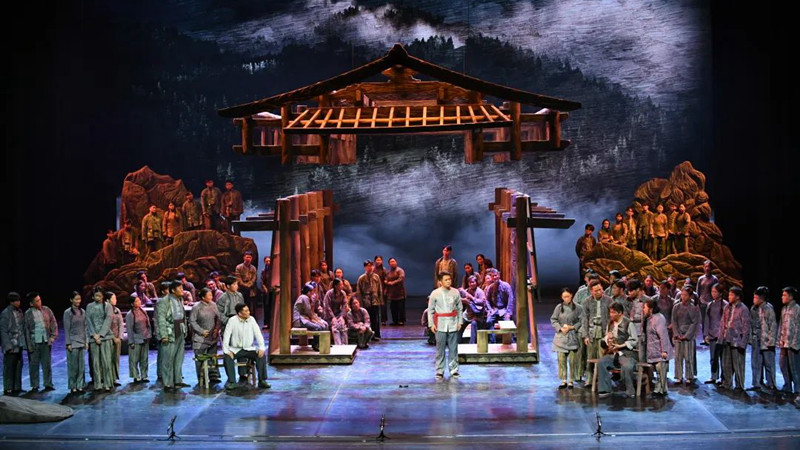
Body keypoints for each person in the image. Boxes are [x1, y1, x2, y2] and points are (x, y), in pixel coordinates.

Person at [221, 304, 270, 390]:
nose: (249, 312)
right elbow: (226, 336)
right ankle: (232, 381)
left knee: (261, 356)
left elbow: (258, 334)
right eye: (246, 311)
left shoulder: (251, 319)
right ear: (240, 313)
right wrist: (226, 351)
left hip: (249, 348)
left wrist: (262, 348)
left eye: (248, 310)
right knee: (227, 357)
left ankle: (262, 380)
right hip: (235, 349)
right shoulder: (232, 321)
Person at [596, 302, 639, 398]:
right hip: (614, 354)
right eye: (610, 312)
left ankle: (630, 391)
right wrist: (607, 340)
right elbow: (605, 338)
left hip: (627, 354)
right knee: (602, 362)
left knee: (627, 367)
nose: (611, 314)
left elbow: (634, 340)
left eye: (613, 312)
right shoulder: (610, 323)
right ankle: (605, 389)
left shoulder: (628, 323)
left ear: (620, 313)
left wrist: (620, 345)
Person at [428, 271, 463, 380]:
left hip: (452, 323)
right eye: (446, 280)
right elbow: (430, 310)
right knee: (440, 349)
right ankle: (440, 371)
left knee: (453, 349)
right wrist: (431, 324)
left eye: (449, 279)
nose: (448, 281)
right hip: (440, 324)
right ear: (440, 282)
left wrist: (460, 322)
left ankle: (454, 370)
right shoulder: (435, 293)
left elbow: (460, 308)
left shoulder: (455, 292)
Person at [157, 281, 189, 391]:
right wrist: (164, 335)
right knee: (168, 359)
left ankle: (177, 380)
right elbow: (161, 318)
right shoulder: (164, 301)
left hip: (180, 329)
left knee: (179, 357)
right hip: (170, 331)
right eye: (180, 288)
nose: (182, 290)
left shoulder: (180, 299)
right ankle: (167, 383)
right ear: (173, 290)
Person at [23, 292, 58, 392]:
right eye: (37, 301)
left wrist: (53, 336)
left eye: (40, 300)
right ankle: (35, 385)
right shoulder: (28, 314)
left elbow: (53, 322)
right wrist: (28, 345)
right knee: (34, 365)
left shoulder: (46, 310)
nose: (39, 302)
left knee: (46, 364)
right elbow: (26, 330)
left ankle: (48, 384)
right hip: (34, 342)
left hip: (45, 341)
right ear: (31, 303)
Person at [550, 288, 583, 389]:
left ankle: (571, 380)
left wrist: (572, 327)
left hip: (572, 336)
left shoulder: (578, 308)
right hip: (561, 337)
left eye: (568, 296)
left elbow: (581, 320)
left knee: (572, 360)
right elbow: (553, 319)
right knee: (561, 359)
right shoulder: (559, 307)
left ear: (571, 295)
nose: (566, 298)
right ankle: (563, 380)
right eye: (564, 297)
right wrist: (560, 328)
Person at [720, 286, 750, 391]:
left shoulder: (743, 309)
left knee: (738, 364)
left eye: (731, 295)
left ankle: (739, 385)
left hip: (737, 341)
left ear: (738, 297)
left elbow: (746, 328)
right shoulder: (727, 307)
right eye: (729, 294)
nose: (729, 296)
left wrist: (743, 343)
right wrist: (721, 338)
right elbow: (723, 323)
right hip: (727, 339)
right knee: (726, 363)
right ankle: (727, 383)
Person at [581, 280, 610, 386]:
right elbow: (584, 319)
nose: (599, 292)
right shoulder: (586, 302)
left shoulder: (608, 300)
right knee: (590, 356)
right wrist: (585, 336)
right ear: (591, 291)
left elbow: (611, 317)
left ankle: (602, 380)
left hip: (604, 331)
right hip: (592, 331)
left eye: (600, 289)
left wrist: (610, 333)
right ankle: (589, 379)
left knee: (602, 357)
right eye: (596, 290)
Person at [190, 287, 222, 385]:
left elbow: (219, 318)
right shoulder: (196, 307)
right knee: (200, 358)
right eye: (209, 295)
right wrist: (201, 331)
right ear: (203, 297)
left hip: (212, 336)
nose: (211, 297)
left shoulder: (214, 305)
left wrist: (217, 328)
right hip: (200, 337)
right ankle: (202, 377)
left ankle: (213, 376)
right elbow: (192, 321)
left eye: (211, 295)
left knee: (212, 356)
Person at [750, 286, 777, 391]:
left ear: (761, 299)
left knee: (768, 363)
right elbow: (751, 324)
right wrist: (751, 338)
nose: (754, 299)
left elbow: (773, 325)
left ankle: (771, 383)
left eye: (755, 297)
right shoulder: (753, 309)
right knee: (756, 362)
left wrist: (771, 341)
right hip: (756, 338)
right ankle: (756, 383)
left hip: (766, 340)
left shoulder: (768, 308)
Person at [643, 299, 673, 397]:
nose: (643, 310)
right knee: (658, 372)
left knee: (661, 372)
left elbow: (663, 336)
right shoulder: (649, 318)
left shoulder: (659, 318)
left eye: (645, 308)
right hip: (653, 350)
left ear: (651, 309)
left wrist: (664, 350)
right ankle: (659, 389)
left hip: (660, 350)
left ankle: (661, 391)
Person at [86, 290, 114, 391]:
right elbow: (88, 321)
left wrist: (100, 334)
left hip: (105, 337)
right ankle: (97, 384)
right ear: (93, 296)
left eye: (100, 296)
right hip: (93, 338)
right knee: (95, 363)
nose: (98, 297)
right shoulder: (89, 306)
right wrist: (94, 335)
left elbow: (108, 320)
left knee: (106, 362)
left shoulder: (107, 306)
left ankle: (107, 383)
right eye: (96, 296)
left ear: (102, 296)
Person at [672, 286, 700, 385]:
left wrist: (687, 335)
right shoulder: (676, 306)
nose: (683, 297)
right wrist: (676, 333)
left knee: (688, 357)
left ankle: (689, 376)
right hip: (678, 334)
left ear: (690, 296)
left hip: (688, 335)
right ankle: (678, 376)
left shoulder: (693, 307)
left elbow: (694, 322)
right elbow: (674, 321)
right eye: (682, 295)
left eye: (685, 295)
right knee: (678, 357)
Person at [1, 292, 26, 394]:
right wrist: (8, 346)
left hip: (19, 344)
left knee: (18, 366)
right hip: (11, 345)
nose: (19, 302)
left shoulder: (19, 311)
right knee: (9, 367)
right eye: (17, 301)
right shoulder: (5, 313)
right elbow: (3, 331)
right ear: (12, 302)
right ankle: (8, 388)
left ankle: (17, 387)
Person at [777, 286, 800, 396]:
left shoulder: (797, 309)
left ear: (791, 297)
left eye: (784, 295)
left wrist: (795, 343)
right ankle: (787, 386)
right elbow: (781, 325)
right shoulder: (784, 309)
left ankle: (797, 390)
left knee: (794, 368)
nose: (782, 297)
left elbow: (798, 328)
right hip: (784, 342)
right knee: (783, 365)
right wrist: (779, 339)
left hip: (793, 344)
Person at [704, 283, 728, 384]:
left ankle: (724, 378)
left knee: (723, 358)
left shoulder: (725, 305)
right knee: (713, 358)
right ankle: (713, 376)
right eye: (712, 292)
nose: (713, 294)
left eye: (715, 292)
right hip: (712, 334)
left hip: (722, 335)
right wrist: (706, 334)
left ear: (720, 293)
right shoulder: (710, 305)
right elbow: (707, 320)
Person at [63, 292, 87, 393]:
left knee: (81, 366)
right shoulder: (68, 312)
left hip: (81, 341)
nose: (78, 301)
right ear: (71, 300)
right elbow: (66, 328)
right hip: (73, 342)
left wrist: (86, 341)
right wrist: (68, 343)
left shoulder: (83, 311)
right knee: (73, 366)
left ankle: (80, 385)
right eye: (76, 299)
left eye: (79, 299)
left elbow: (85, 327)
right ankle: (73, 385)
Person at [125, 294, 151, 383]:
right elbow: (129, 329)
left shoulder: (143, 311)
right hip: (136, 339)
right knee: (134, 359)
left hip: (145, 337)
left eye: (139, 300)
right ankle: (136, 376)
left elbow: (148, 324)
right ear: (132, 304)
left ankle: (144, 375)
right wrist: (131, 342)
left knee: (144, 358)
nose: (139, 302)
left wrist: (149, 335)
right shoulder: (130, 314)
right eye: (136, 301)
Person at [356, 260, 383, 340]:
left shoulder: (376, 276)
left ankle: (376, 334)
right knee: (367, 318)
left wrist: (380, 300)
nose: (370, 267)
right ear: (365, 267)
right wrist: (360, 302)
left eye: (371, 266)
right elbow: (359, 291)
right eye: (368, 266)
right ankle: (368, 335)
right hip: (366, 300)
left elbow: (379, 289)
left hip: (375, 300)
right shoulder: (361, 278)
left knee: (375, 318)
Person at [460, 275, 489, 345]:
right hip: (468, 314)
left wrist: (472, 298)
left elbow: (483, 302)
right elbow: (459, 298)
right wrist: (463, 300)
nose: (472, 284)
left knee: (474, 324)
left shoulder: (480, 292)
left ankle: (472, 344)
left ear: (476, 283)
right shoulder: (467, 290)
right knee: (460, 322)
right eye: (470, 282)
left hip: (477, 315)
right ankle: (458, 341)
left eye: (473, 282)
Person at [322, 279, 349, 345]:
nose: (342, 286)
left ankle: (345, 344)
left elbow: (345, 305)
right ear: (336, 286)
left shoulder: (343, 293)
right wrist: (333, 317)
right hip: (329, 315)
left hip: (338, 313)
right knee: (335, 326)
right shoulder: (329, 293)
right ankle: (338, 345)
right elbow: (327, 306)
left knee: (342, 325)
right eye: (340, 285)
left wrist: (342, 316)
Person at [153, 281, 170, 384]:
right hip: (162, 331)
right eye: (168, 290)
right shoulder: (160, 302)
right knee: (162, 354)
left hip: (170, 331)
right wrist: (159, 333)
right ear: (163, 291)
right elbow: (157, 319)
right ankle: (161, 373)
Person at [697, 260, 719, 337]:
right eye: (705, 266)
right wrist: (698, 301)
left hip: (711, 302)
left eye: (708, 266)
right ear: (703, 267)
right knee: (703, 320)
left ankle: (711, 336)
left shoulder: (714, 279)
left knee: (712, 319)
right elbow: (698, 291)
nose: (707, 268)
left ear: (711, 268)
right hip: (702, 302)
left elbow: (717, 290)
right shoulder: (700, 279)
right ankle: (704, 336)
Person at [385, 257, 407, 326]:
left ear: (396, 262)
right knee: (393, 308)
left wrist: (393, 282)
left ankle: (401, 321)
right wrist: (386, 282)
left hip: (400, 293)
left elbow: (401, 278)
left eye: (393, 261)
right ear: (389, 264)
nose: (392, 263)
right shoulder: (389, 272)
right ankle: (395, 320)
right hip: (392, 293)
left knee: (400, 308)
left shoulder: (400, 270)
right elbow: (386, 279)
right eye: (391, 262)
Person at [108, 292, 123, 386]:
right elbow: (106, 326)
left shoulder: (117, 310)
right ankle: (108, 379)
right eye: (113, 298)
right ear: (108, 300)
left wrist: (119, 337)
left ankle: (114, 378)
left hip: (117, 339)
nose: (115, 300)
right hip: (109, 338)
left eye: (115, 298)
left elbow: (121, 324)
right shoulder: (106, 310)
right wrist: (113, 337)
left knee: (116, 359)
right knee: (108, 359)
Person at [373, 256, 388, 326]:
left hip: (382, 289)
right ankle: (375, 319)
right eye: (377, 260)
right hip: (374, 290)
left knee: (383, 306)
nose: (378, 261)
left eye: (380, 260)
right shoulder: (373, 269)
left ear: (382, 261)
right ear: (375, 261)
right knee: (375, 306)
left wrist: (385, 290)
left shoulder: (384, 270)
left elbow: (386, 280)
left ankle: (383, 320)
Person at [260, 256, 274, 329]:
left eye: (269, 261)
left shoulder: (274, 271)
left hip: (272, 291)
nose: (268, 262)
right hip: (266, 291)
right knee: (266, 308)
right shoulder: (263, 271)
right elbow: (262, 282)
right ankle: (266, 323)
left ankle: (272, 323)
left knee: (272, 307)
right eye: (266, 261)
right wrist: (265, 289)